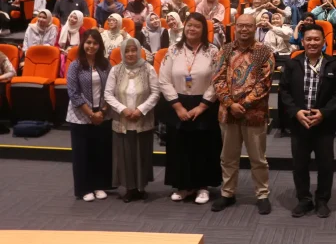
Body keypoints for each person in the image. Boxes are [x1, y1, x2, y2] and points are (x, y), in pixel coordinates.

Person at [279, 23, 336, 218]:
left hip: (323, 124)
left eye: (317, 39)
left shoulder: (333, 64)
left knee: (326, 165)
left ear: (324, 41)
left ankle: (322, 200)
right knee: (299, 164)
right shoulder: (293, 64)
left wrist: (323, 113)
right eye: (308, 39)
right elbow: (284, 91)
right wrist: (296, 112)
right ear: (302, 41)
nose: (312, 43)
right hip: (299, 123)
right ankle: (304, 200)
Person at [211, 14, 274, 215]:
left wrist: (243, 104)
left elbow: (264, 84)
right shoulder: (225, 50)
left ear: (255, 28)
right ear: (235, 27)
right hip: (228, 113)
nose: (244, 29)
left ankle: (262, 195)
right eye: (241, 26)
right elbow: (218, 79)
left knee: (258, 159)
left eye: (248, 26)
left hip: (254, 114)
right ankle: (227, 193)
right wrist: (231, 104)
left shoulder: (264, 52)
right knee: (228, 157)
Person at [159, 12, 221, 205]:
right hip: (178, 103)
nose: (192, 29)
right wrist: (177, 107)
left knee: (203, 147)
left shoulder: (213, 51)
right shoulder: (173, 50)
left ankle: (202, 186)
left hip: (205, 105)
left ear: (203, 30)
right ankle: (183, 186)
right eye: (189, 25)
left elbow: (217, 80)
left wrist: (202, 106)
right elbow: (164, 80)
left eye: (197, 26)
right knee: (179, 147)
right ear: (184, 27)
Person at [104, 38, 160, 203]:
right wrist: (123, 109)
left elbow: (156, 93)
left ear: (139, 51)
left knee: (142, 155)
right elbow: (108, 94)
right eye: (127, 50)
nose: (130, 54)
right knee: (125, 156)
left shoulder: (148, 69)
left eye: (134, 50)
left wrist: (140, 110)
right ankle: (129, 189)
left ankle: (141, 188)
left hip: (143, 120)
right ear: (122, 52)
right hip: (122, 120)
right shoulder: (116, 70)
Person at [65, 30, 112, 202]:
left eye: (95, 43)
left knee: (100, 151)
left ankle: (99, 185)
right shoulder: (75, 65)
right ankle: (84, 188)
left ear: (100, 45)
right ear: (83, 44)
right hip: (81, 116)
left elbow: (111, 89)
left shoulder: (105, 64)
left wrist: (102, 111)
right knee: (82, 154)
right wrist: (91, 114)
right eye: (88, 42)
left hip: (102, 114)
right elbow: (73, 93)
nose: (91, 46)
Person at [57, 10, 85, 77]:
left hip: (76, 53)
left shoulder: (82, 30)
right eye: (71, 17)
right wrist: (61, 50)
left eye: (75, 18)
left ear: (79, 20)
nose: (72, 19)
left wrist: (72, 50)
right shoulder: (62, 29)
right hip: (62, 52)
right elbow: (56, 44)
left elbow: (83, 45)